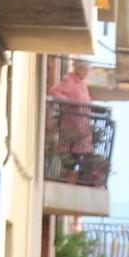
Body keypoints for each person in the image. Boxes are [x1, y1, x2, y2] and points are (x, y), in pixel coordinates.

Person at [48, 58, 97, 186]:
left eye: (88, 70)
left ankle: (81, 179)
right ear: (78, 68)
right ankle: (68, 178)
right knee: (72, 154)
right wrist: (70, 103)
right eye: (85, 69)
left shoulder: (82, 84)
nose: (86, 72)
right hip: (72, 125)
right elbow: (54, 92)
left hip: (82, 126)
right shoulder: (69, 80)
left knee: (82, 154)